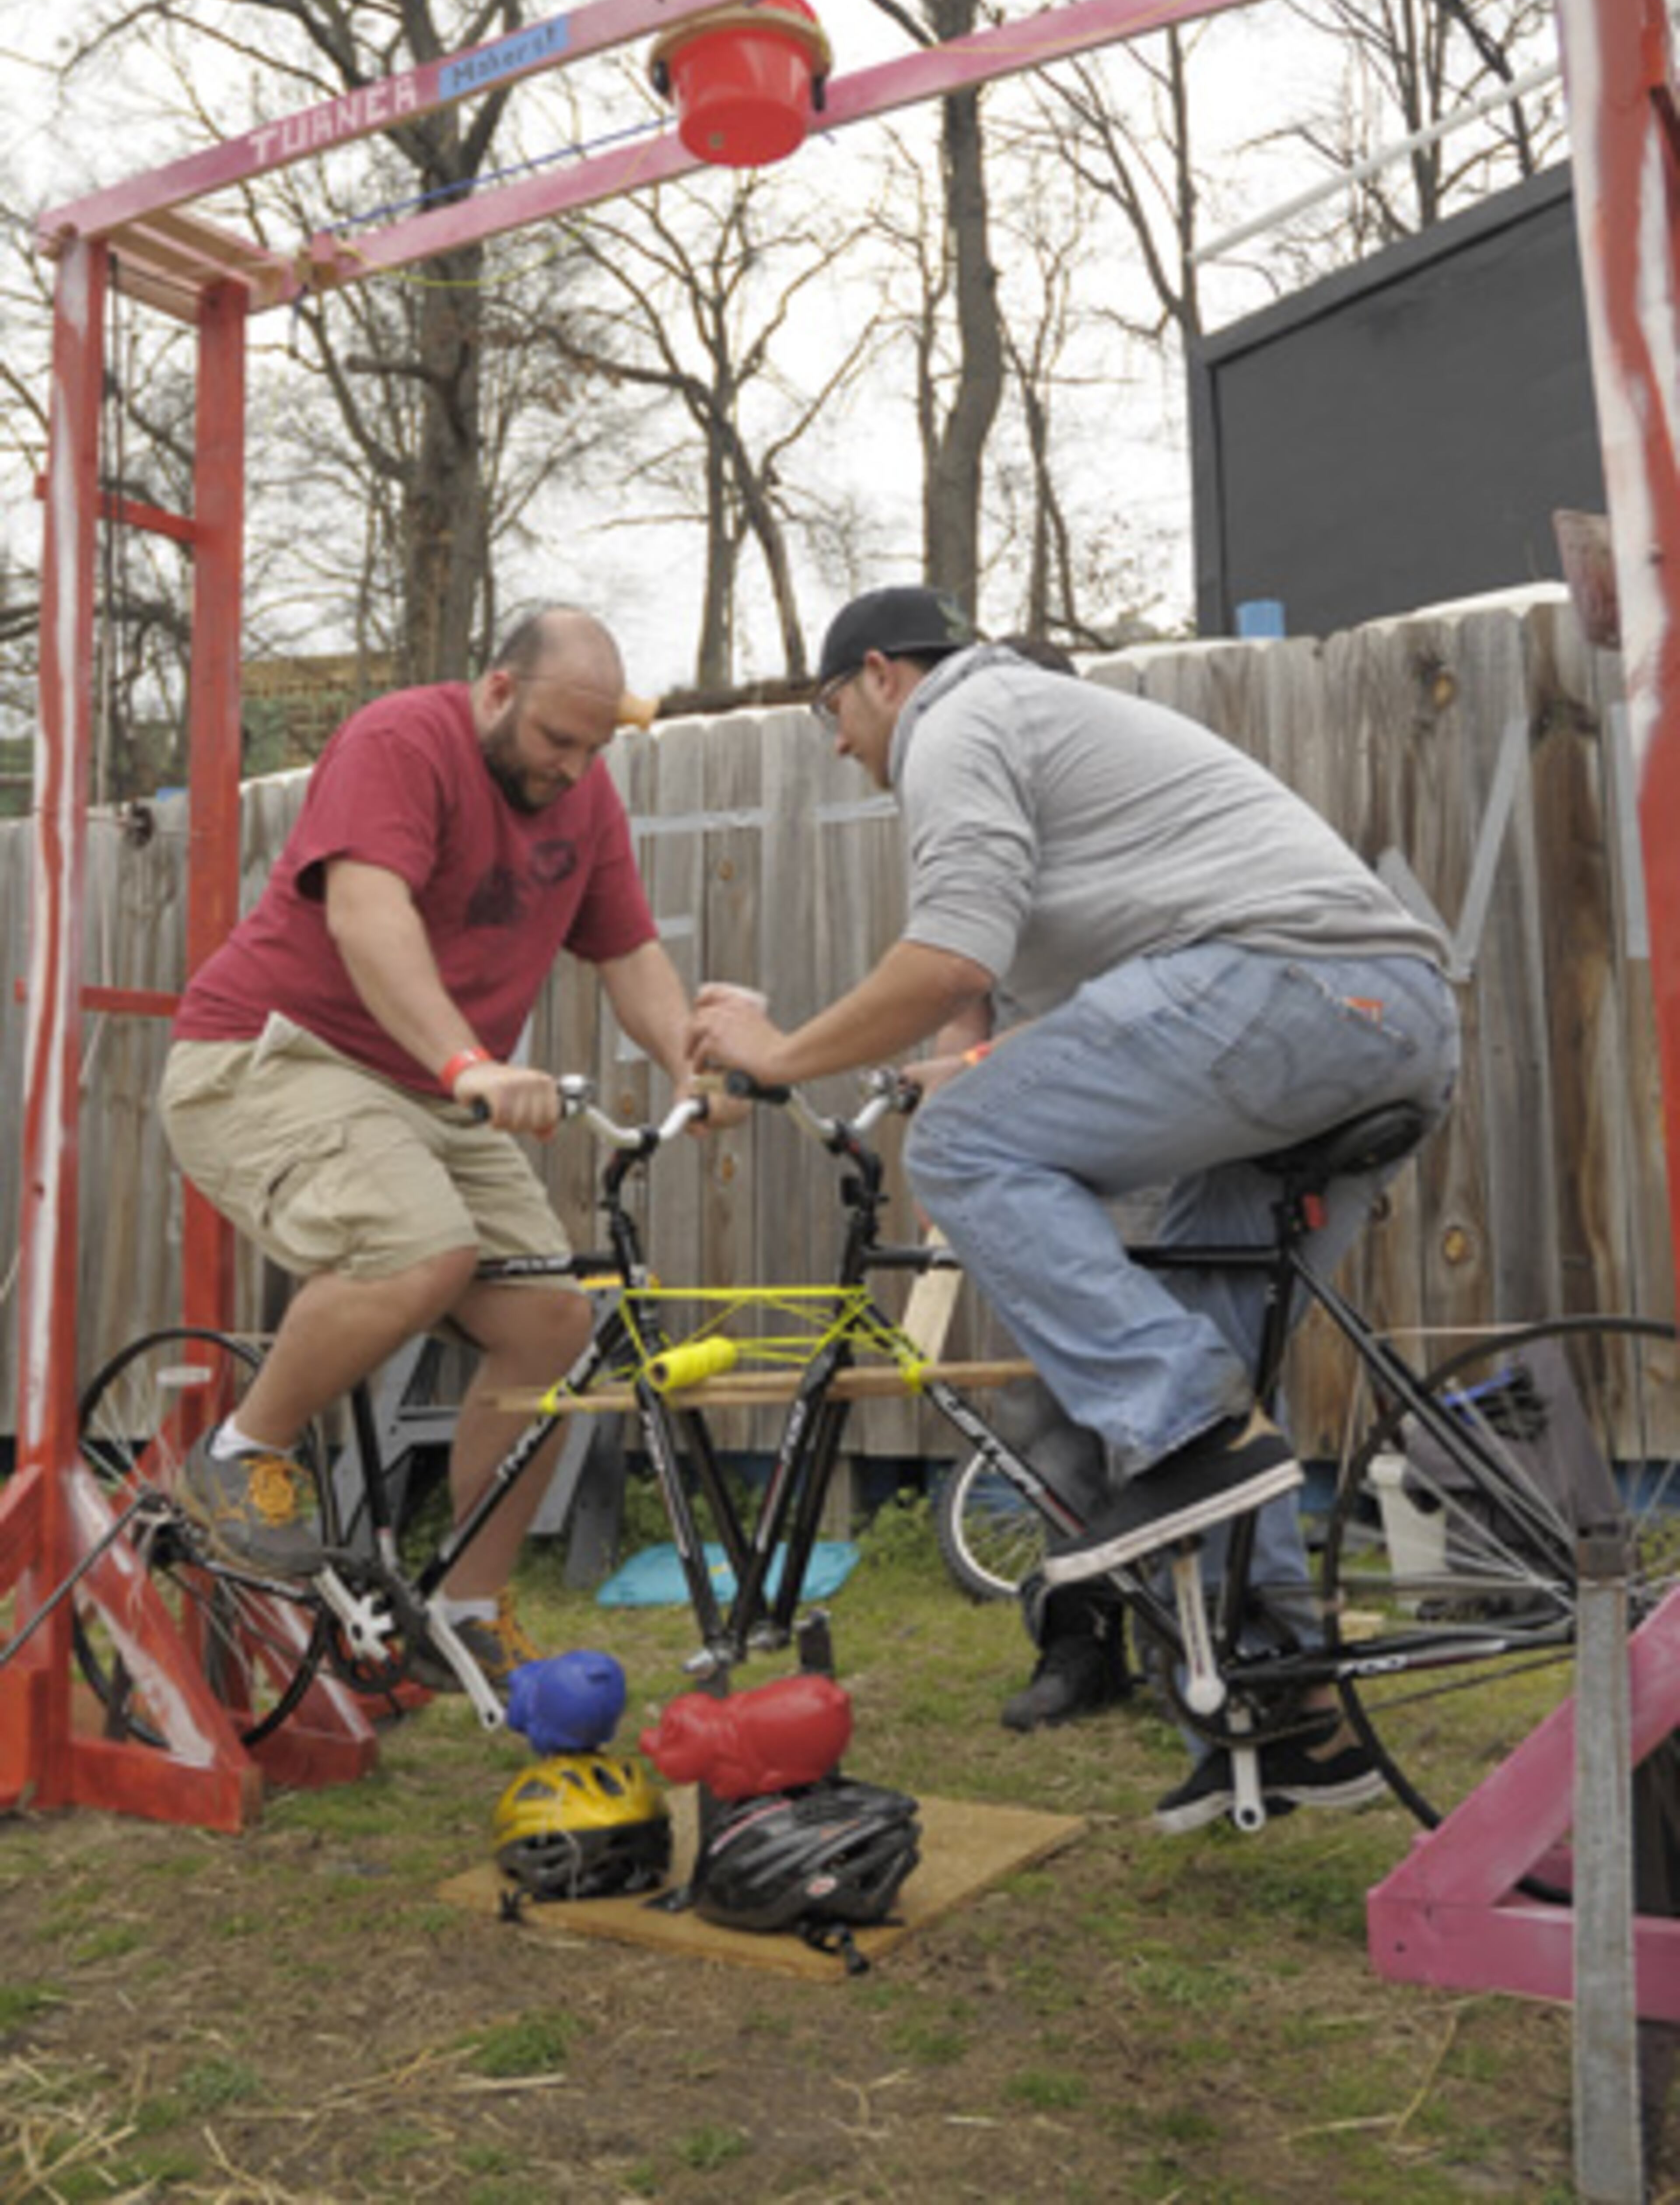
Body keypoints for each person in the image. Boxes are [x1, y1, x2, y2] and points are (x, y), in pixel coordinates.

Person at [686, 583, 1461, 1830]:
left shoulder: (962, 717)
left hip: (1300, 994)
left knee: (972, 1160)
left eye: (830, 708)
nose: (836, 742)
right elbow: (1110, 1025)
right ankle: (1290, 1716)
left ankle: (1184, 1434)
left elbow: (949, 959)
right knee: (1203, 1330)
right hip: (1382, 1018)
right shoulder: (1046, 731)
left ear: (883, 674)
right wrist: (959, 1066)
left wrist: (779, 1057)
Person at [160, 605, 723, 1691]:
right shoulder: (399, 740)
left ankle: (465, 1606)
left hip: (426, 1087)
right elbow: (369, 916)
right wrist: (468, 1063)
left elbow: (629, 949)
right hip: (272, 1058)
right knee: (417, 1246)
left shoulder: (585, 795)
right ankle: (239, 1457)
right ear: (500, 691)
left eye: (594, 748)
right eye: (559, 741)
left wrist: (690, 1066)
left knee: (554, 1320)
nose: (572, 769)